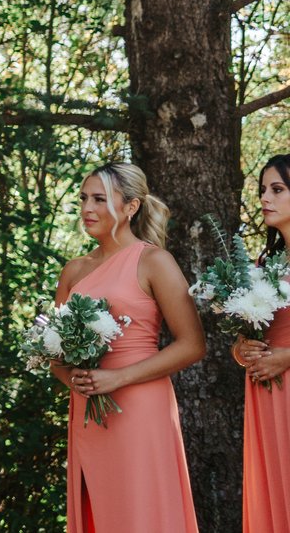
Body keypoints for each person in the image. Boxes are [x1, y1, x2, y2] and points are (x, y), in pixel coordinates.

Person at [52, 160, 204, 533]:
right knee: (99, 508)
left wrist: (118, 377)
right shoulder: (74, 270)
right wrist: (75, 379)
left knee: (143, 507)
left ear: (131, 206)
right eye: (84, 198)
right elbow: (53, 352)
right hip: (89, 407)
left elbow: (193, 344)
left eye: (100, 199)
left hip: (140, 406)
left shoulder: (154, 261)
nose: (87, 208)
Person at [237, 153, 290, 532]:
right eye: (262, 191)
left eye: (277, 189)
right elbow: (243, 338)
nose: (264, 199)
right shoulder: (263, 264)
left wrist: (288, 356)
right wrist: (242, 350)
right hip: (265, 389)